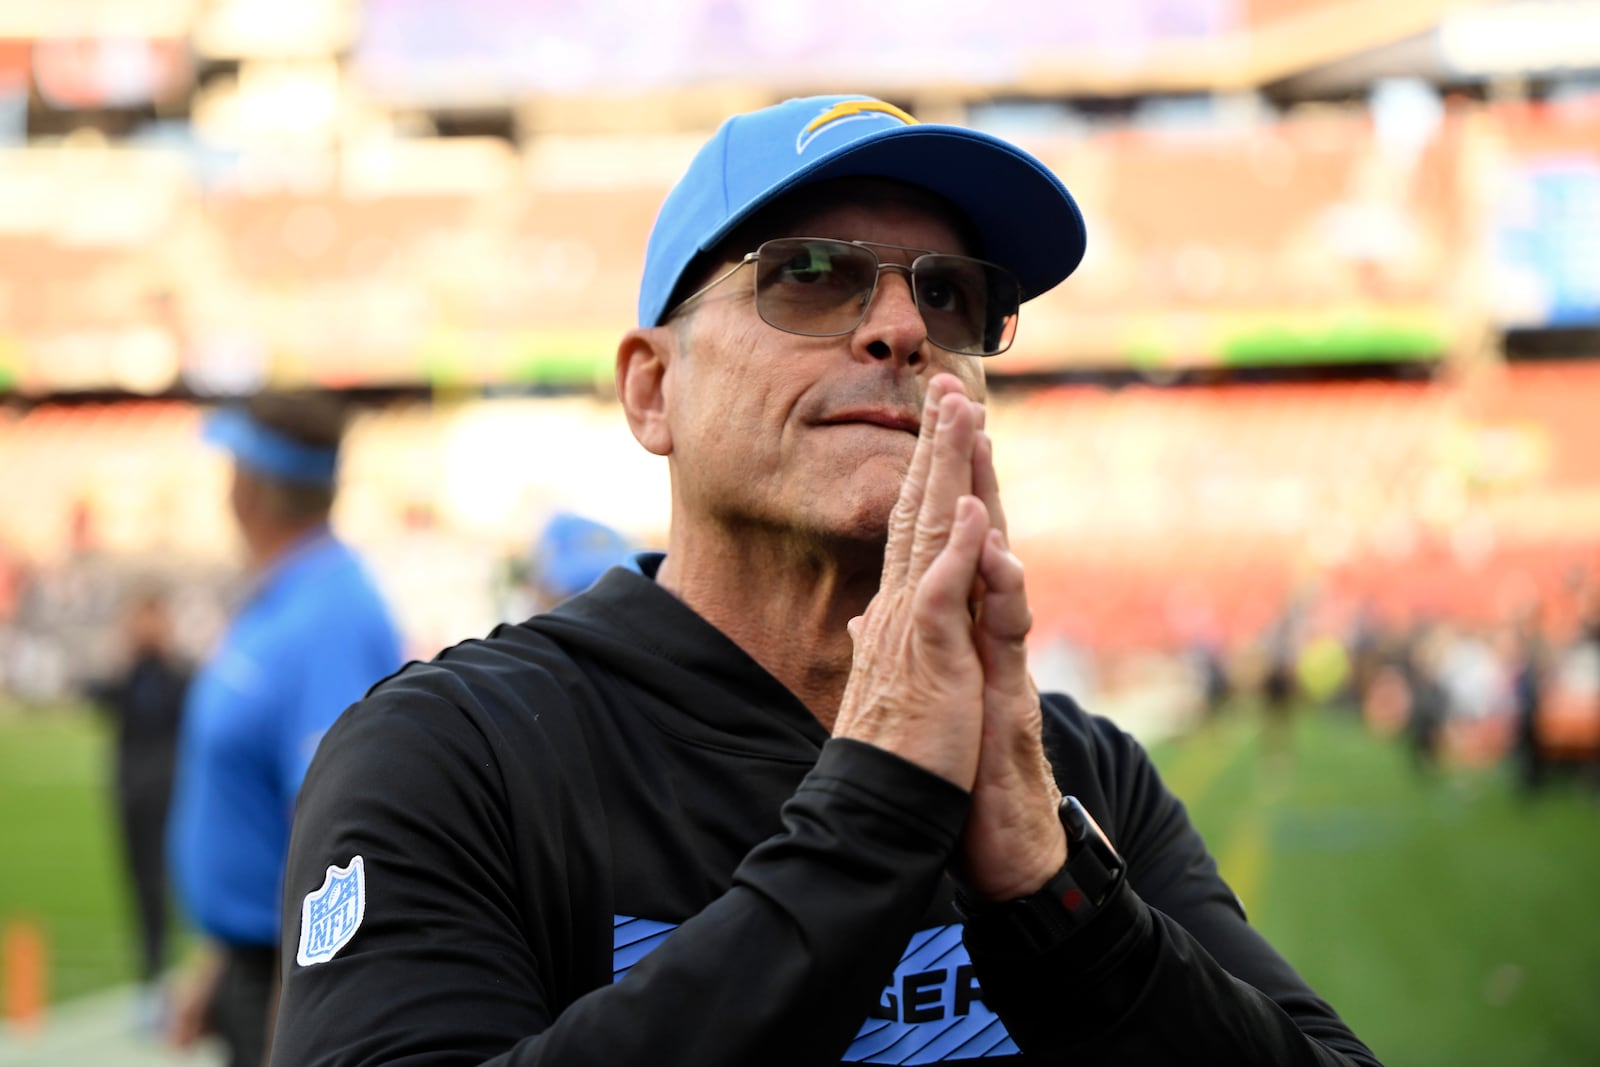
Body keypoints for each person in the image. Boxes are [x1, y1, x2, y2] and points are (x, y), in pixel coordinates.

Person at [271, 95, 1381, 1065]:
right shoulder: (458, 755)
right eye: (809, 275)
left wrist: (1059, 899)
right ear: (651, 390)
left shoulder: (1069, 773)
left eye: (951, 296)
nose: (903, 328)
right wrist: (880, 805)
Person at [166, 390, 405, 1067]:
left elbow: (333, 830)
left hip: (291, 980)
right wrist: (214, 963)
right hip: (252, 961)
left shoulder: (330, 615)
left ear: (250, 488)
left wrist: (292, 1023)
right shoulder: (287, 596)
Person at [86, 588, 191, 1029]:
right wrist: (125, 654)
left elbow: (189, 702)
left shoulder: (177, 675)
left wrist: (163, 654)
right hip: (130, 795)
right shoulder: (128, 675)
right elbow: (95, 695)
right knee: (140, 888)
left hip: (169, 793)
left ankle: (178, 982)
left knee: (169, 886)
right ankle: (152, 980)